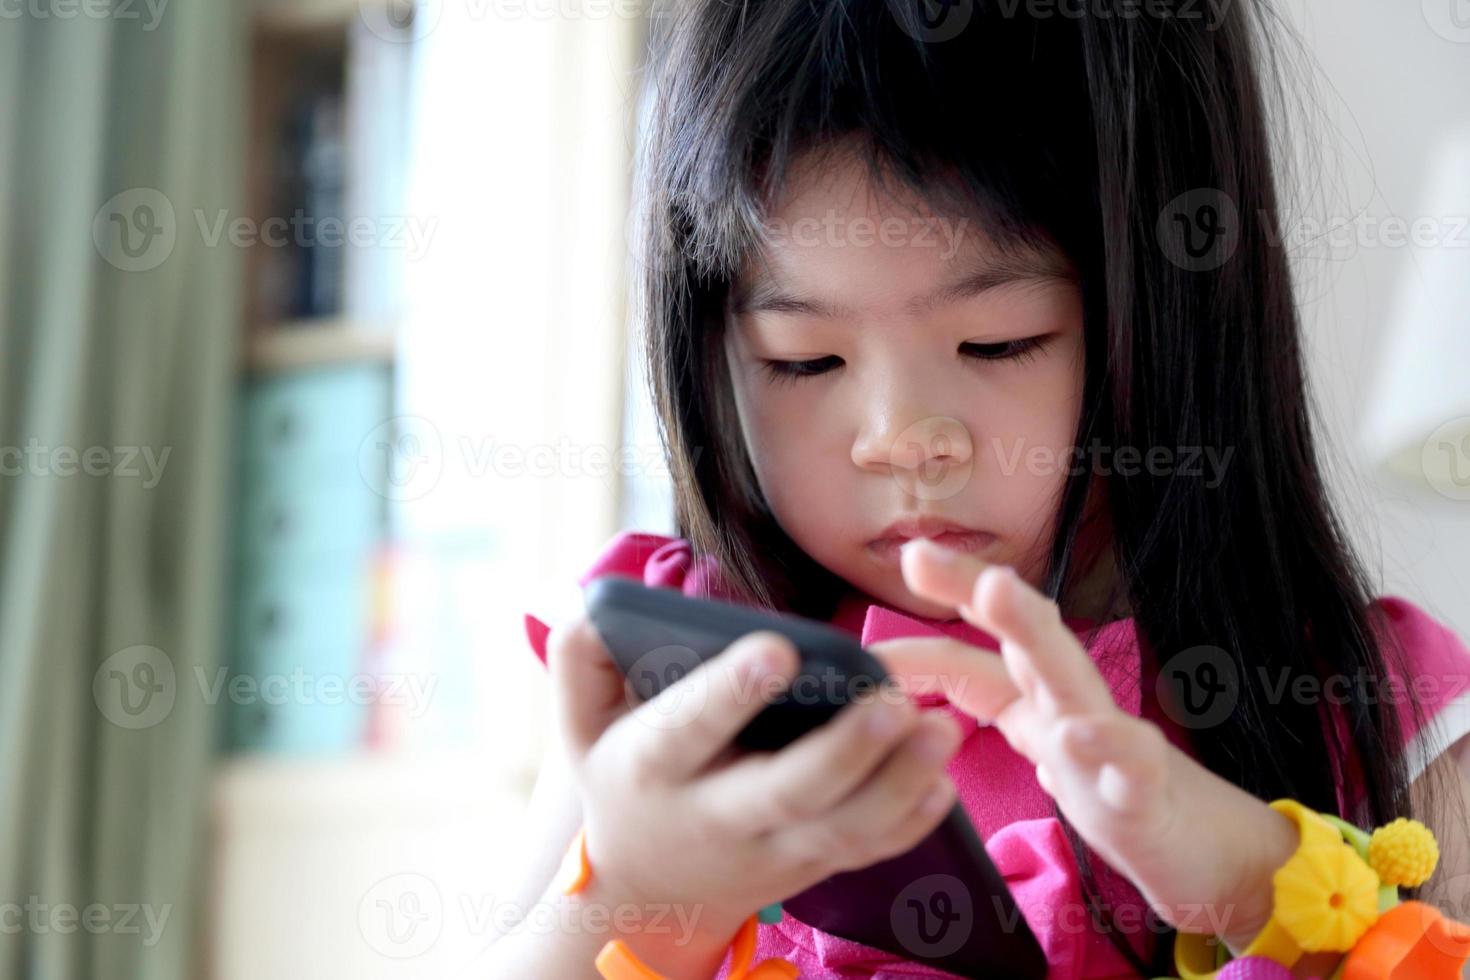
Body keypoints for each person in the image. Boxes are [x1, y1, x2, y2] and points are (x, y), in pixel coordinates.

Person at [490, 1, 1470, 976]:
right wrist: (626, 897)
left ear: (1178, 316)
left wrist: (1260, 881)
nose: (901, 439)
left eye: (1000, 341)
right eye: (804, 359)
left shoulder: (1370, 701)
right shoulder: (674, 677)